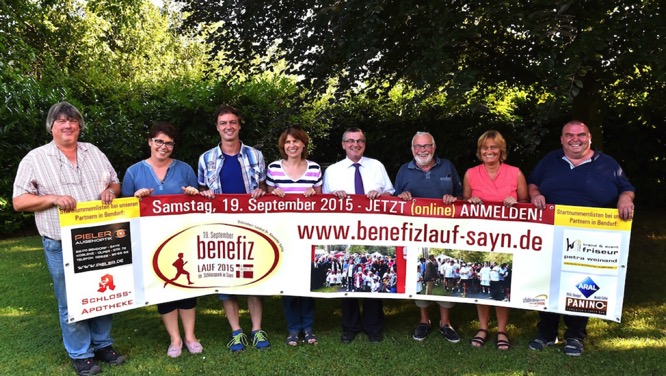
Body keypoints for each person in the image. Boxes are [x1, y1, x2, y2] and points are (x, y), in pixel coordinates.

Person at [13, 102, 126, 375]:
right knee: (71, 300)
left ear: (79, 125)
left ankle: (102, 345)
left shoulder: (94, 152)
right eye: (61, 121)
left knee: (103, 292)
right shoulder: (35, 159)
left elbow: (115, 182)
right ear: (51, 126)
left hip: (98, 238)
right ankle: (81, 354)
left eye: (73, 121)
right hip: (60, 241)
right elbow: (19, 201)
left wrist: (110, 191)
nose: (68, 125)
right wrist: (52, 199)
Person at [527, 120, 635, 357]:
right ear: (562, 139)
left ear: (589, 138)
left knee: (581, 284)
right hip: (551, 231)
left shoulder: (608, 164)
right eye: (569, 135)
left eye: (581, 135)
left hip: (591, 234)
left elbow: (627, 188)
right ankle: (546, 332)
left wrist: (625, 199)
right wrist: (536, 194)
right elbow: (533, 183)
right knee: (548, 280)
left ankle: (575, 334)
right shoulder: (551, 160)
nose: (575, 139)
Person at [121, 122, 204, 358]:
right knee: (163, 285)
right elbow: (124, 208)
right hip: (151, 241)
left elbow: (197, 202)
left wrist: (192, 194)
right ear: (149, 142)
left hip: (182, 238)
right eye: (159, 141)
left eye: (169, 143)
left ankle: (190, 336)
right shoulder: (133, 172)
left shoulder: (185, 168)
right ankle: (175, 339)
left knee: (187, 286)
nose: (163, 146)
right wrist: (136, 198)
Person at [197, 105, 271, 352]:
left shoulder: (256, 155)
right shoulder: (205, 158)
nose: (228, 127)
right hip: (220, 228)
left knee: (254, 277)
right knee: (226, 280)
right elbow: (200, 191)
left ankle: (257, 329)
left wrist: (262, 191)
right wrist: (204, 194)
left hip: (252, 226)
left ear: (239, 125)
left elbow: (263, 187)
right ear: (217, 127)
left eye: (233, 122)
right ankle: (236, 331)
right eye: (223, 123)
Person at [322, 127, 395, 343]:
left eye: (360, 141)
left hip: (374, 230)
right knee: (349, 279)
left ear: (365, 143)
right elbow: (323, 203)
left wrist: (380, 194)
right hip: (345, 230)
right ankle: (350, 326)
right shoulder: (333, 171)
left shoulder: (377, 166)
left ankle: (374, 327)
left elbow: (391, 194)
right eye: (351, 141)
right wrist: (335, 196)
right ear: (343, 144)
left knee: (372, 276)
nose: (356, 144)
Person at [462, 129, 528, 350]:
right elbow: (464, 202)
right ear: (480, 152)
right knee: (484, 283)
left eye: (494, 147)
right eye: (485, 148)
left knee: (500, 285)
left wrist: (516, 200)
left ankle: (502, 330)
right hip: (479, 234)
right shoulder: (470, 173)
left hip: (507, 235)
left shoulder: (515, 172)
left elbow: (527, 203)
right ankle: (482, 327)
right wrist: (471, 200)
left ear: (502, 151)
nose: (489, 151)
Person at [394, 131, 462, 343]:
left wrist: (454, 198)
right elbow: (395, 201)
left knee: (438, 276)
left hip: (444, 231)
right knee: (422, 276)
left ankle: (445, 322)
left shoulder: (447, 166)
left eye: (426, 146)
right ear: (412, 149)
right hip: (414, 232)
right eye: (418, 146)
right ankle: (424, 321)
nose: (422, 150)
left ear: (434, 147)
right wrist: (402, 197)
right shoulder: (404, 170)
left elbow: (461, 196)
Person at [265, 125, 323, 346]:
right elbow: (267, 201)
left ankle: (308, 327)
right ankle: (293, 328)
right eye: (288, 142)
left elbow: (322, 203)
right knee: (288, 282)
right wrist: (275, 194)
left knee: (307, 280)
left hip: (309, 233)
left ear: (303, 144)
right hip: (283, 234)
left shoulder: (315, 168)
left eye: (296, 141)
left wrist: (313, 195)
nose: (292, 145)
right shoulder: (273, 168)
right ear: (283, 145)